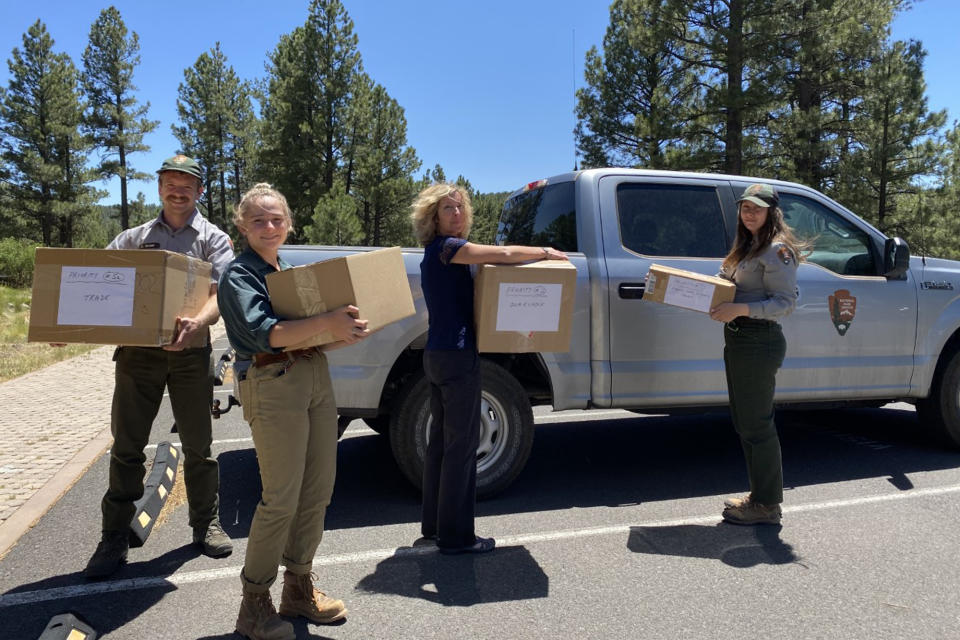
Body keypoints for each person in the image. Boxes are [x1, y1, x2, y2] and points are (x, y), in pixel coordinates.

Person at [218, 184, 369, 640]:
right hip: (273, 383)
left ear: (289, 224)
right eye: (259, 220)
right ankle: (254, 606)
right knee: (280, 498)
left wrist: (338, 333)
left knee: (317, 491)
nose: (269, 227)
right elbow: (266, 333)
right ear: (242, 226)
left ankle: (298, 588)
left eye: (277, 219)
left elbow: (306, 332)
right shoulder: (239, 276)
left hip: (313, 376)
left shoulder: (289, 272)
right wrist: (326, 323)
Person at [84, 155, 235, 579]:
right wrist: (71, 324)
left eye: (187, 184)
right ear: (160, 187)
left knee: (199, 447)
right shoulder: (133, 238)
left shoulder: (213, 239)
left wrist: (197, 322)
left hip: (191, 355)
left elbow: (220, 292)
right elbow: (97, 282)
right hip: (138, 354)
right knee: (127, 448)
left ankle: (206, 525)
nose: (178, 190)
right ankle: (113, 536)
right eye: (171, 182)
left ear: (200, 191)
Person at [410, 183, 568, 555]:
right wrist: (545, 251)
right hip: (456, 356)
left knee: (441, 447)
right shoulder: (449, 248)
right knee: (461, 448)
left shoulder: (437, 253)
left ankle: (433, 529)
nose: (457, 214)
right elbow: (506, 253)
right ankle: (458, 537)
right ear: (432, 217)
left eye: (461, 207)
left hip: (437, 354)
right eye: (448, 209)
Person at [709, 183, 804, 526]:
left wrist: (740, 309)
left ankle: (767, 505)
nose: (750, 213)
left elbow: (785, 303)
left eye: (757, 208)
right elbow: (726, 283)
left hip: (759, 341)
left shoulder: (777, 250)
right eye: (746, 207)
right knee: (744, 421)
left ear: (771, 212)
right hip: (739, 339)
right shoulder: (748, 245)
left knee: (757, 424)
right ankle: (759, 494)